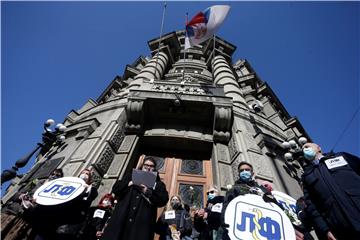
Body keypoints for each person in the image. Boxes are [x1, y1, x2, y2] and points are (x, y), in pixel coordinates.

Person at [301, 142, 360, 240]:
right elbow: (313, 207)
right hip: (342, 228)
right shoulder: (307, 176)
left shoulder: (342, 157)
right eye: (303, 149)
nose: (305, 150)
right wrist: (326, 230)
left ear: (319, 148)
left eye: (307, 146)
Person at [101, 156, 169, 240]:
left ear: (154, 169)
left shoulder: (158, 184)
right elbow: (116, 189)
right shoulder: (130, 176)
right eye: (146, 165)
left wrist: (147, 191)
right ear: (142, 165)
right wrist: (130, 183)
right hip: (122, 217)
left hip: (141, 223)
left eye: (151, 166)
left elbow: (163, 200)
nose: (148, 168)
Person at [1, 168, 64, 240]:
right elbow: (15, 195)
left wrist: (34, 206)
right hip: (11, 213)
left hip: (25, 222)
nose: (53, 176)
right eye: (52, 174)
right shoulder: (35, 182)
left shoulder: (55, 194)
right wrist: (21, 196)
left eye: (57, 175)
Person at [54, 168, 98, 240]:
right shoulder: (71, 185)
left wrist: (87, 190)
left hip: (73, 221)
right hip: (61, 217)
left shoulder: (90, 189)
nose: (84, 175)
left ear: (89, 178)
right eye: (83, 173)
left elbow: (92, 196)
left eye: (87, 174)